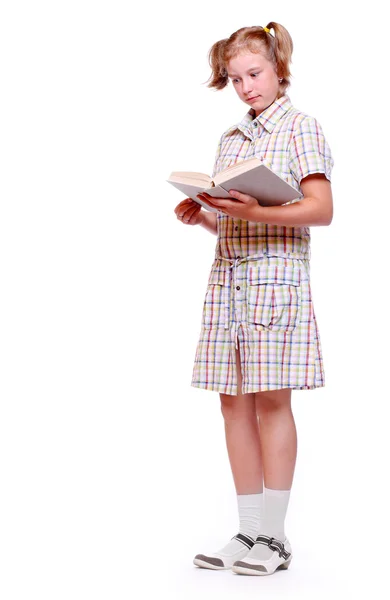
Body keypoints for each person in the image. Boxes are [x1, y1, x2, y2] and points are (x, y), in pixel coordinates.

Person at [173, 22, 334, 576]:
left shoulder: (300, 129)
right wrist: (207, 216)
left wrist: (254, 213)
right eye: (235, 79)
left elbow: (321, 209)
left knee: (271, 402)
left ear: (278, 66)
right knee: (232, 402)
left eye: (254, 74)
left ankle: (276, 537)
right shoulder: (231, 139)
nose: (245, 87)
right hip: (230, 283)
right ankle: (246, 532)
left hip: (276, 284)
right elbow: (235, 223)